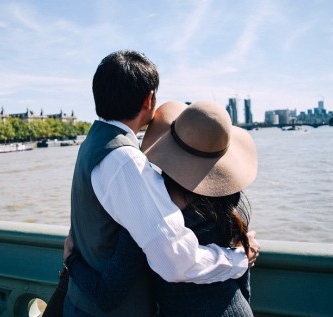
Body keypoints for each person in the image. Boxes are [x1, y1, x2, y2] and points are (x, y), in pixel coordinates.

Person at [63, 50, 260, 316]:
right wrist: (238, 259)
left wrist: (71, 261)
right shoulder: (127, 162)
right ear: (149, 99)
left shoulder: (93, 143)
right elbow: (176, 262)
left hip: (82, 300)